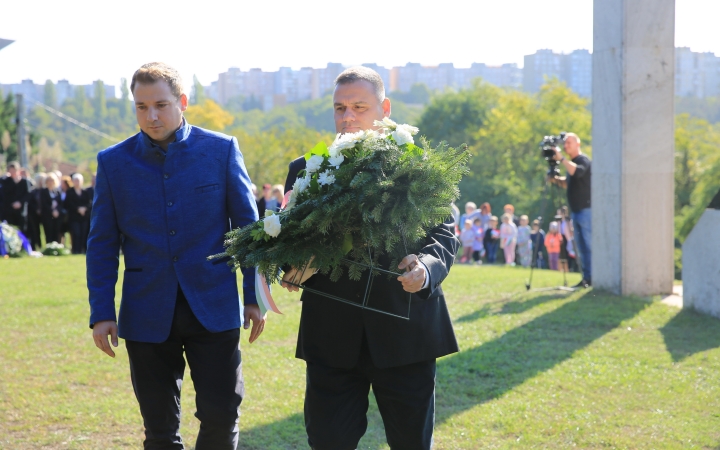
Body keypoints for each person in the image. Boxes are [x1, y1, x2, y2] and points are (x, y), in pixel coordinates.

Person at [86, 62, 265, 449]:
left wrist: (254, 296)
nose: (151, 116)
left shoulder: (221, 150)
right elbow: (101, 245)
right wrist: (101, 312)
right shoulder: (112, 163)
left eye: (161, 105)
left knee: (221, 415)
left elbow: (249, 231)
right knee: (160, 430)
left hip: (214, 308)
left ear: (182, 102)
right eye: (141, 106)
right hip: (145, 312)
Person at [280, 66, 458, 450]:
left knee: (411, 442)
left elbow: (443, 234)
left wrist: (425, 268)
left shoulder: (418, 164)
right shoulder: (305, 170)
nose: (347, 117)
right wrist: (289, 266)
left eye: (359, 106)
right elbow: (286, 245)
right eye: (339, 108)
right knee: (327, 441)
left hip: (406, 329)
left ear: (384, 108)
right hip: (331, 336)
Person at [549, 132, 592, 287]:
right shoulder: (571, 162)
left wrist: (561, 158)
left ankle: (592, 278)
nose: (566, 146)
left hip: (586, 210)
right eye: (565, 143)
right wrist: (556, 180)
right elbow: (569, 182)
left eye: (569, 143)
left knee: (589, 245)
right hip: (576, 211)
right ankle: (587, 278)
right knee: (581, 247)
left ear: (577, 144)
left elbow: (578, 172)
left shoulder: (583, 160)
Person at [64, 173, 92, 254]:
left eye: (79, 180)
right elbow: (68, 204)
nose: (77, 182)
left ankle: (83, 249)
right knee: (76, 233)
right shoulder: (70, 192)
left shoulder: (85, 192)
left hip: (84, 217)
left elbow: (89, 203)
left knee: (84, 233)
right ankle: (75, 250)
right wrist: (78, 209)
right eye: (76, 180)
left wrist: (84, 208)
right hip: (74, 217)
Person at [1, 162, 31, 231]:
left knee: (22, 231)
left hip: (21, 211)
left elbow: (28, 194)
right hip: (9, 211)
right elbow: (5, 194)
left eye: (14, 170)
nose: (13, 172)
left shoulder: (24, 181)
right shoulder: (5, 181)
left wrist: (20, 202)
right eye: (11, 170)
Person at [40, 173, 64, 244]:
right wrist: (52, 210)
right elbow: (43, 203)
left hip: (57, 215)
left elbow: (60, 203)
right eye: (49, 180)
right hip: (47, 215)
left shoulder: (57, 191)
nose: (50, 182)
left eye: (52, 180)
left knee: (56, 231)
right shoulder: (43, 191)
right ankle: (49, 247)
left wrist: (57, 211)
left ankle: (56, 246)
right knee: (48, 231)